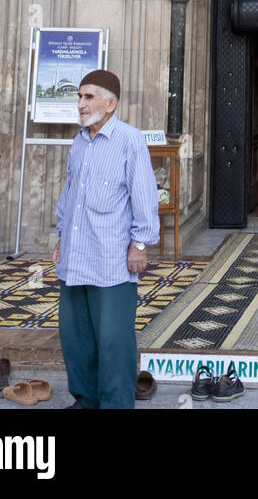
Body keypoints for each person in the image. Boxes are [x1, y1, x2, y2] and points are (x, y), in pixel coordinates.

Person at [52, 69, 159, 409]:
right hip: (75, 253)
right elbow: (70, 192)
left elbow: (144, 195)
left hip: (112, 257)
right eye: (79, 97)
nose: (81, 104)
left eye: (89, 97)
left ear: (110, 104)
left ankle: (115, 403)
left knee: (113, 340)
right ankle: (86, 398)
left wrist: (140, 244)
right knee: (76, 336)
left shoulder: (129, 140)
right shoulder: (79, 140)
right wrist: (60, 236)